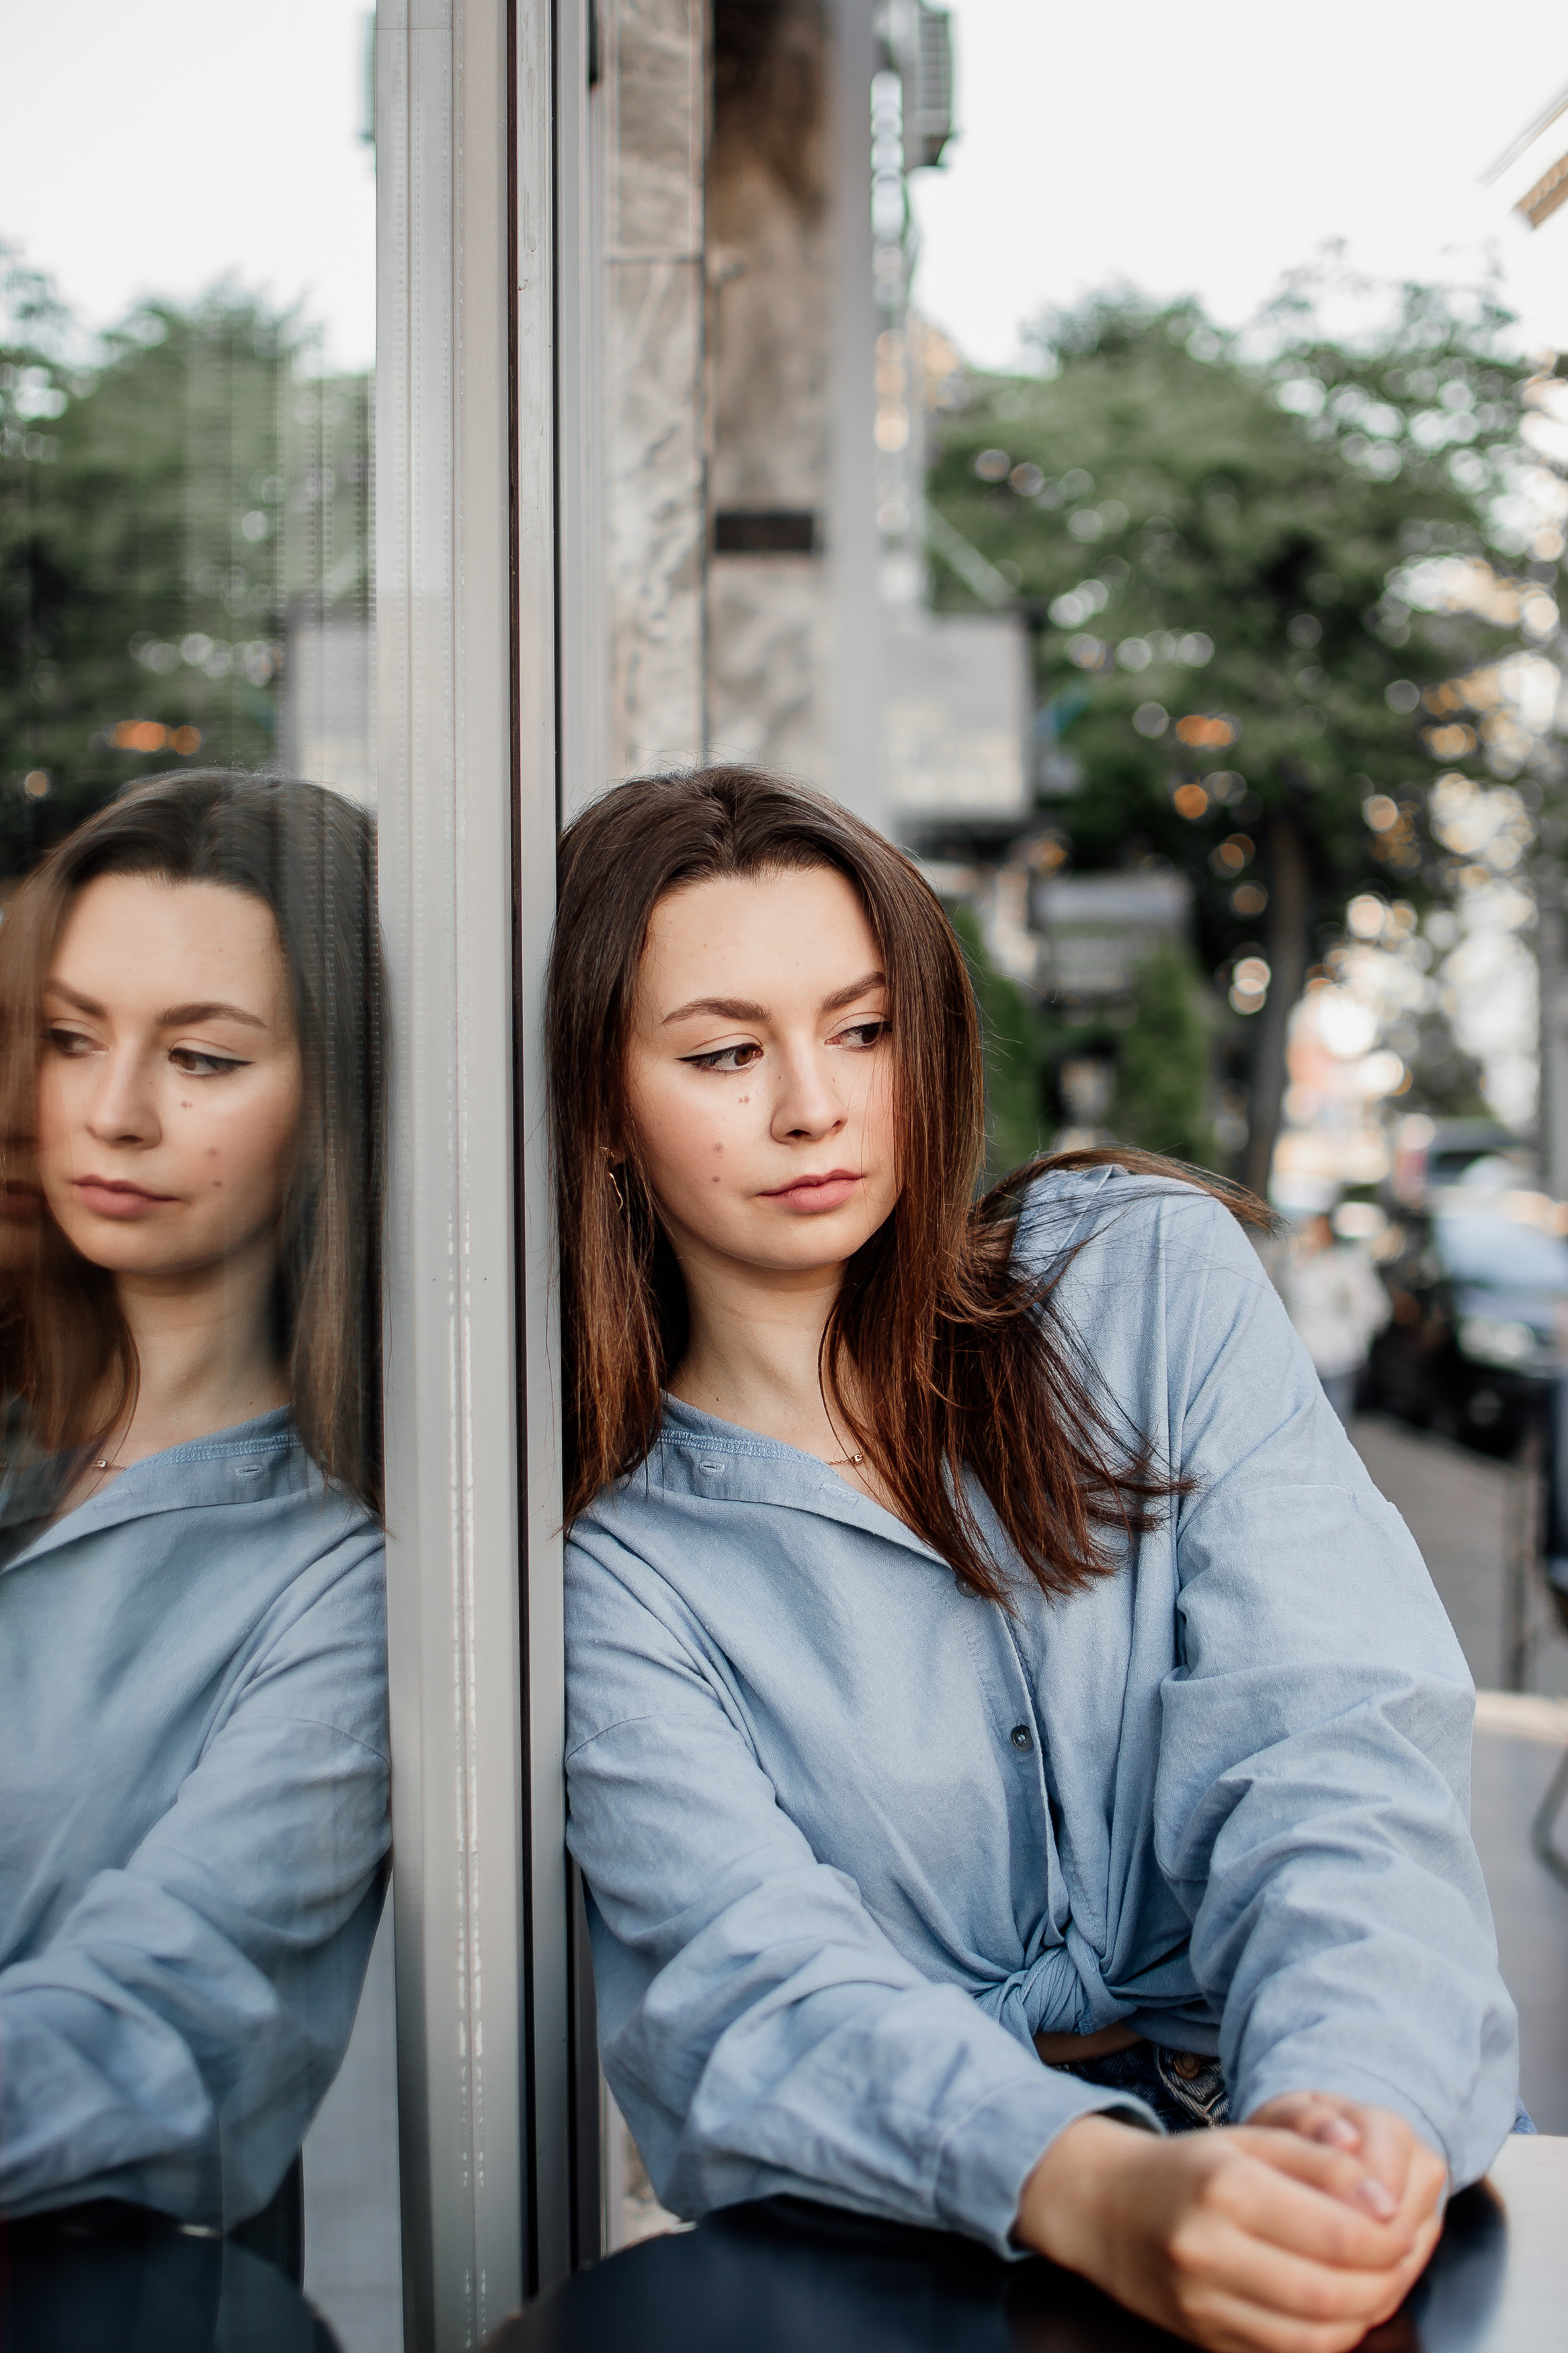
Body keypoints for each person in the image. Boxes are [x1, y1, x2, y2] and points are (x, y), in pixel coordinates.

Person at [551, 768, 1518, 2353]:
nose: (814, 1106)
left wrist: (1351, 2114)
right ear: (602, 1107)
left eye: (862, 1031)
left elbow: (1333, 1743)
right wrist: (1095, 2189)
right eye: (726, 1054)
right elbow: (748, 1980)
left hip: (1335, 2191)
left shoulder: (1147, 1284)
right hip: (920, 2252)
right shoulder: (611, 1565)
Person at [0, 772, 388, 2249]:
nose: (114, 1112)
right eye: (70, 1037)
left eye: (205, 1059)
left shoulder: (344, 1577)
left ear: (334, 1096)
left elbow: (163, 2023)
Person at [1277, 1211, 1390, 1427]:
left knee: (1334, 1421)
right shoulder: (1295, 1266)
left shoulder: (1347, 1265)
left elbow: (1374, 1308)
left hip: (1339, 1356)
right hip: (1303, 1355)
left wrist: (1359, 1337)